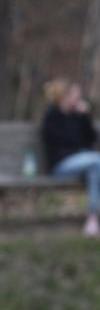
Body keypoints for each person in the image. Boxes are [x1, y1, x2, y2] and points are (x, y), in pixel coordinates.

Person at [40, 78, 100, 235]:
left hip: (85, 162)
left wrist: (86, 116)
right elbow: (58, 144)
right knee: (96, 161)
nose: (79, 98)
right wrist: (81, 152)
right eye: (75, 95)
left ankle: (92, 219)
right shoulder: (51, 116)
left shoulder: (79, 116)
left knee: (94, 170)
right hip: (60, 165)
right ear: (63, 97)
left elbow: (91, 139)